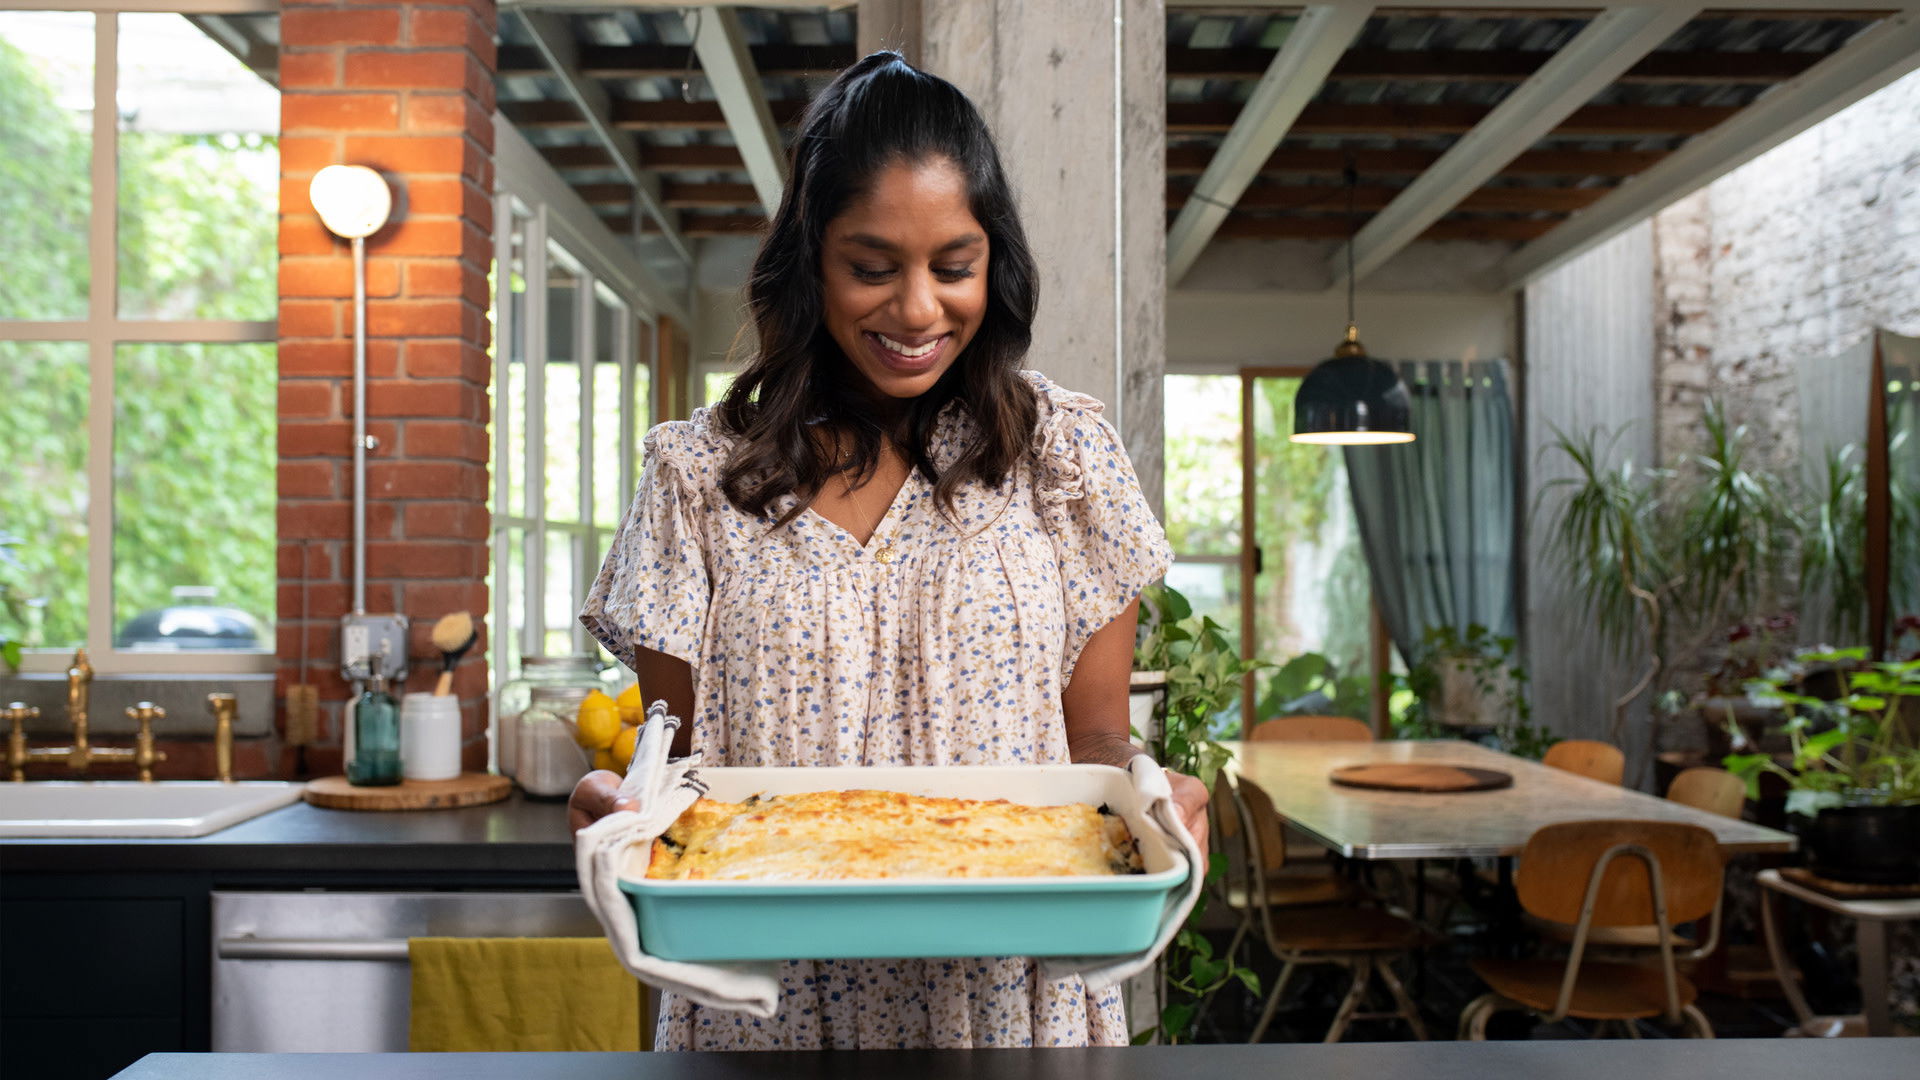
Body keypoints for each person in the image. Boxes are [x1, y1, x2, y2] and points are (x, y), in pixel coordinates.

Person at [569, 51, 1207, 1051]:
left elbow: (1094, 748)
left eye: (953, 266)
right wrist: (621, 809)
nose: (917, 309)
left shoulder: (1061, 459)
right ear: (809, 262)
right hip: (769, 1012)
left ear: (994, 263)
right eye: (872, 267)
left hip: (1008, 1009)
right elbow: (675, 772)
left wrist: (1157, 795)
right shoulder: (696, 478)